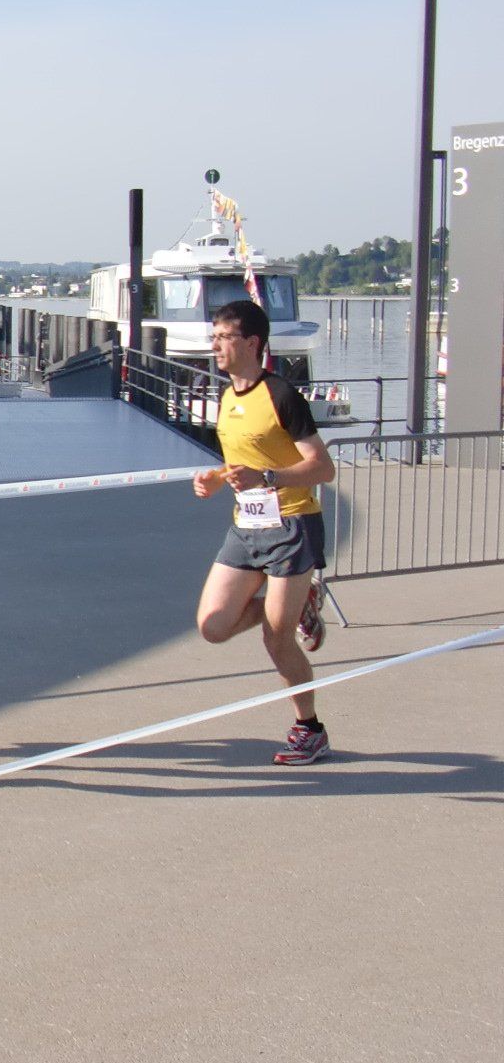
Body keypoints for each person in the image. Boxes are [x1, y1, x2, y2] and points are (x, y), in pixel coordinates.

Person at [192, 300, 337, 765]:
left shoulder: (281, 395)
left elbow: (323, 467)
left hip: (292, 525)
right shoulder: (226, 396)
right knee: (213, 627)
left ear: (251, 343)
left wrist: (269, 478)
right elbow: (242, 461)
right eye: (214, 336)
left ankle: (309, 729)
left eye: (224, 337)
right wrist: (216, 478)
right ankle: (298, 602)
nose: (215, 345)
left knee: (277, 639)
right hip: (246, 527)